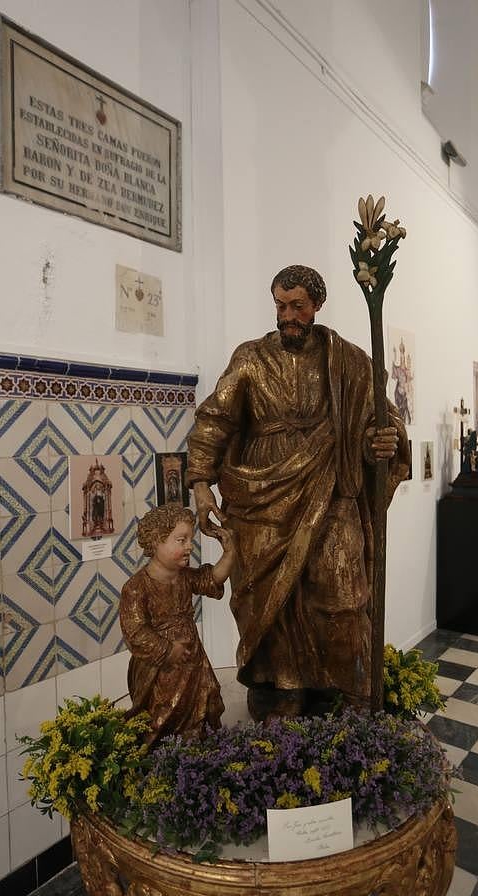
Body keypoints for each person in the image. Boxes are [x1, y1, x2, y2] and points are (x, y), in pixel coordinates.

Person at [186, 264, 410, 720]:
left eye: (297, 306)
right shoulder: (250, 357)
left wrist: (385, 442)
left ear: (316, 307)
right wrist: (199, 481)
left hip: (331, 487)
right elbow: (215, 418)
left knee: (342, 594)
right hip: (261, 495)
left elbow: (381, 421)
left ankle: (349, 686)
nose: (287, 315)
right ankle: (282, 687)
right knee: (273, 601)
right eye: (280, 306)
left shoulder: (348, 361)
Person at [119, 503, 235, 744]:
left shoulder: (184, 576)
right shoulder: (136, 587)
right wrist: (168, 650)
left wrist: (229, 554)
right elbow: (135, 631)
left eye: (189, 540)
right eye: (180, 540)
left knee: (205, 697)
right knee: (163, 710)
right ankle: (163, 751)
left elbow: (210, 579)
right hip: (160, 667)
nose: (189, 547)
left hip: (193, 657)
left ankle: (197, 743)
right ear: (157, 541)